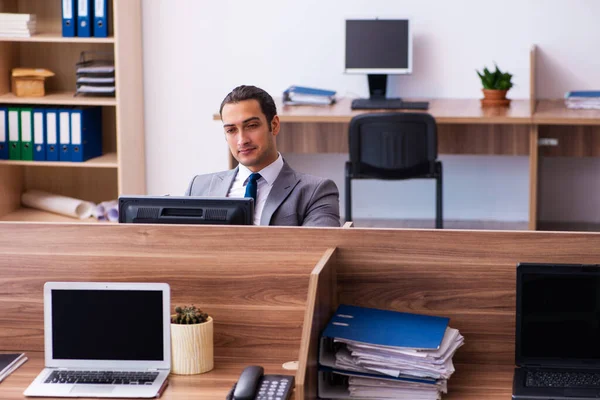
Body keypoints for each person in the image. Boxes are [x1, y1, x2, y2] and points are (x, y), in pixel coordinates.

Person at [185, 85, 340, 227]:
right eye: (231, 130)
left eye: (251, 126)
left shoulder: (315, 192)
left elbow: (318, 249)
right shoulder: (199, 187)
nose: (242, 140)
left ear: (274, 125)